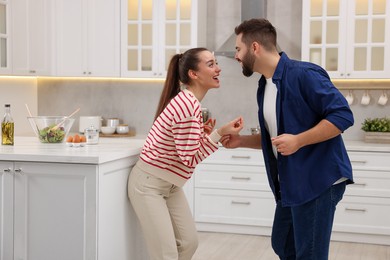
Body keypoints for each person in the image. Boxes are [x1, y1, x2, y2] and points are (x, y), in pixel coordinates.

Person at [220, 19, 354, 260]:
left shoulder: (304, 74)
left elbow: (342, 116)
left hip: (318, 180)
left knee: (309, 254)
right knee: (282, 243)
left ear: (255, 47)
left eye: (238, 49)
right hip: (292, 182)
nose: (236, 56)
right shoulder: (265, 85)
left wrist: (299, 141)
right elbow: (277, 137)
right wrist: (240, 141)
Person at [128, 47, 244, 260]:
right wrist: (218, 134)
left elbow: (184, 150)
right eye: (210, 64)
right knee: (167, 254)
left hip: (169, 185)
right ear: (194, 74)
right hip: (149, 185)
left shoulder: (189, 102)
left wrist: (201, 135)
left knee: (189, 243)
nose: (218, 68)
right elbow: (189, 158)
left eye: (216, 63)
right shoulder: (188, 104)